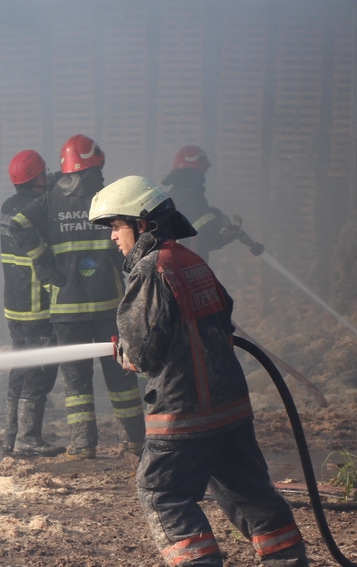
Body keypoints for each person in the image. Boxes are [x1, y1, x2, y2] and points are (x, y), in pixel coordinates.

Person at [89, 176, 308, 567]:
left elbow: (144, 353)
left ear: (142, 225)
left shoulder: (151, 270)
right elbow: (223, 317)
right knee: (251, 494)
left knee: (162, 493)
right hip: (230, 408)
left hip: (182, 412)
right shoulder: (192, 262)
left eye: (115, 227)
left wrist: (125, 354)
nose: (111, 238)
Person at [9, 134, 145, 459]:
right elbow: (128, 236)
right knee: (121, 376)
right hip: (109, 305)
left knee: (76, 382)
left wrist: (44, 263)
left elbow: (18, 224)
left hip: (66, 309)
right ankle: (137, 442)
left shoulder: (50, 200)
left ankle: (83, 446)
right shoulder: (106, 197)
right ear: (95, 165)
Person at [0, 150, 62, 458]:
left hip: (14, 303)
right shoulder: (37, 208)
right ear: (36, 177)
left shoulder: (8, 205)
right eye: (44, 173)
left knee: (21, 367)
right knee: (39, 370)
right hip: (37, 304)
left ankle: (11, 436)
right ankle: (27, 438)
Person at [161, 146, 239, 264]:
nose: (204, 173)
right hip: (185, 266)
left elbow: (201, 240)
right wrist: (219, 219)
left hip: (179, 263)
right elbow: (205, 230)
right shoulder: (190, 194)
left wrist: (226, 237)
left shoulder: (178, 193)